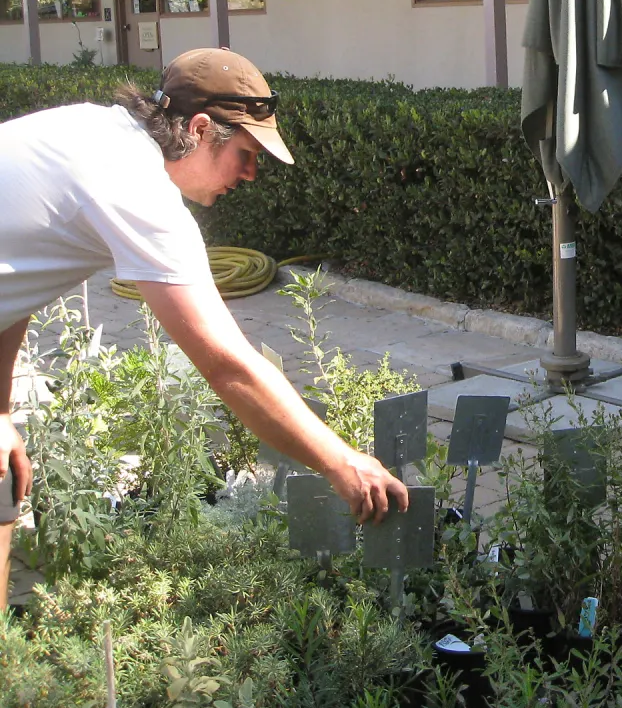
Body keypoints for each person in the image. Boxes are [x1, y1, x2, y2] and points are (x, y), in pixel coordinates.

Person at [0, 48, 409, 612]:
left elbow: (12, 287)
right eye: (244, 153)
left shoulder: (94, 130)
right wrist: (342, 461)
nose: (251, 173)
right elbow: (228, 365)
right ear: (198, 129)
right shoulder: (136, 189)